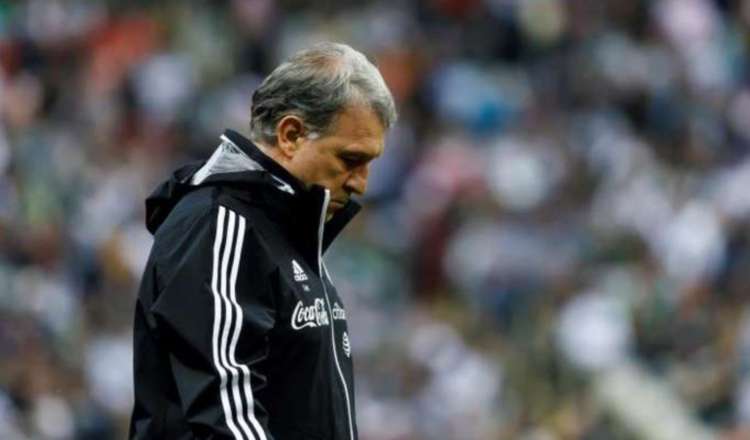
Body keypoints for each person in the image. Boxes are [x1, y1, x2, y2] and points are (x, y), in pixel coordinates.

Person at [129, 42, 397, 440]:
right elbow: (225, 411)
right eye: (350, 159)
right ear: (291, 135)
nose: (361, 183)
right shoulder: (220, 223)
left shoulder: (287, 233)